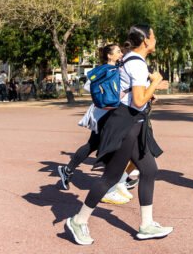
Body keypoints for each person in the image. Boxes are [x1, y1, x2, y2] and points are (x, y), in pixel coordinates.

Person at [66, 25, 172, 245]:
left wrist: (150, 90)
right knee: (111, 177)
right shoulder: (137, 64)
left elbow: (135, 96)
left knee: (150, 170)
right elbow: (139, 101)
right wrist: (154, 84)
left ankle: (146, 225)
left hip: (134, 121)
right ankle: (78, 220)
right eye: (153, 36)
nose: (155, 39)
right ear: (145, 41)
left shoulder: (131, 60)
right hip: (125, 123)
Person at [57, 44, 133, 205]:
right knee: (108, 146)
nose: (121, 53)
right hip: (104, 112)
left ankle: (68, 170)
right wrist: (107, 92)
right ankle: (114, 184)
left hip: (109, 111)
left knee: (94, 144)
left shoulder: (116, 69)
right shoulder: (106, 70)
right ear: (109, 56)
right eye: (118, 51)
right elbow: (88, 86)